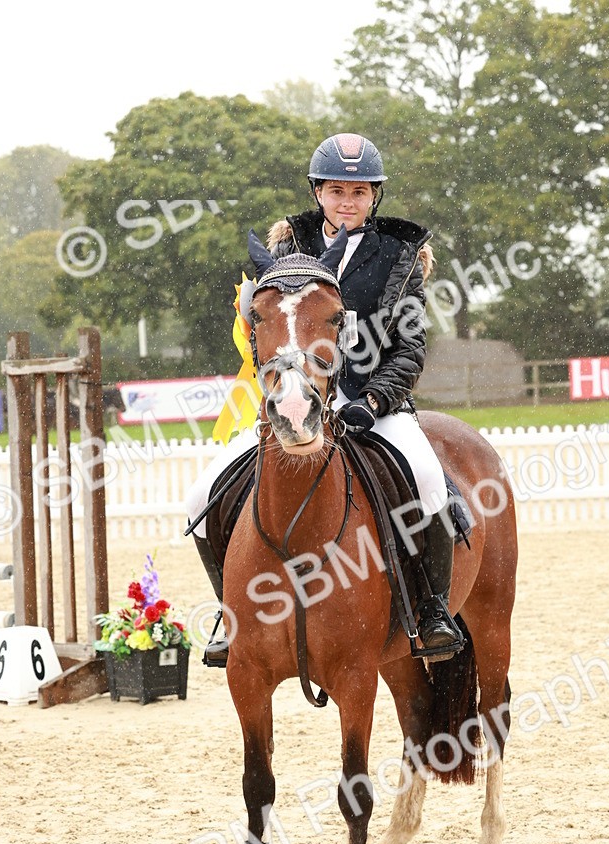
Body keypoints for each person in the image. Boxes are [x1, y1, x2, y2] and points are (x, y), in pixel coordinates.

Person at [187, 132, 461, 665]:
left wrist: (376, 401)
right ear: (318, 192)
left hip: (372, 407)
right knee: (200, 496)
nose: (347, 202)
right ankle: (231, 611)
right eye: (337, 190)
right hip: (294, 399)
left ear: (374, 197)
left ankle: (431, 611)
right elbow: (266, 329)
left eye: (359, 193)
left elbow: (409, 347)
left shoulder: (399, 255)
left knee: (430, 483)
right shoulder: (288, 248)